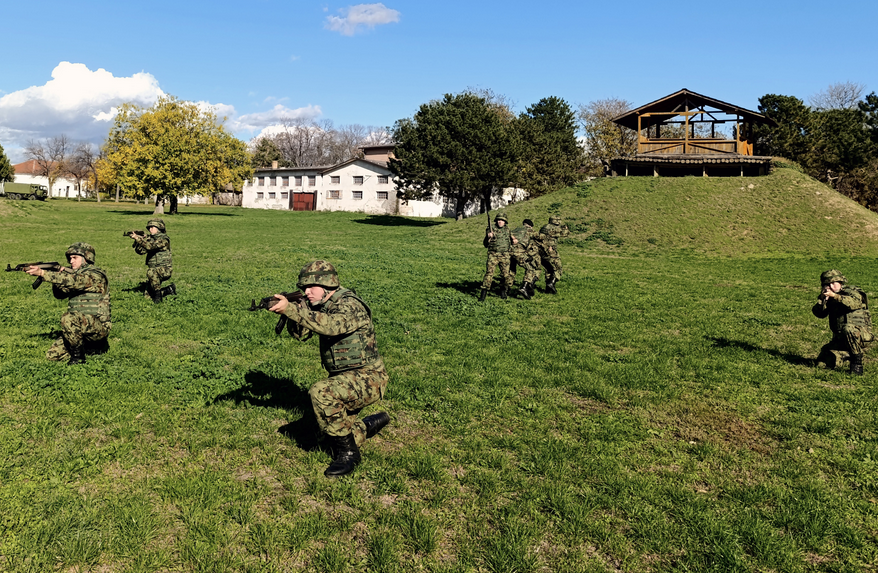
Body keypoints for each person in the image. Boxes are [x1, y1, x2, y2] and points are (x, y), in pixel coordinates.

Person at [269, 260, 390, 477]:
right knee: (322, 440)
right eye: (303, 288)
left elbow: (331, 326)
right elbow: (302, 335)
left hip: (369, 377)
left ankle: (348, 455)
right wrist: (293, 313)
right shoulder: (320, 303)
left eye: (310, 287)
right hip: (345, 377)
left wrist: (292, 310)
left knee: (321, 391)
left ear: (327, 286)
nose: (306, 292)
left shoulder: (350, 305)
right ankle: (369, 425)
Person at [25, 242, 111, 365]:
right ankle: (88, 347)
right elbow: (60, 294)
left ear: (87, 258)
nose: (71, 261)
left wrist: (44, 274)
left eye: (75, 258)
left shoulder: (95, 275)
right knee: (52, 355)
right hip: (79, 326)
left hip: (98, 327)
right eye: (70, 258)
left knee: (68, 317)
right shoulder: (73, 275)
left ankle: (78, 358)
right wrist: (57, 278)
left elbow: (75, 281)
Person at [812, 269, 873, 375]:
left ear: (840, 282)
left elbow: (854, 304)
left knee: (848, 328)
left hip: (860, 336)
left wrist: (835, 296)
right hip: (840, 339)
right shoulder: (829, 297)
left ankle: (856, 362)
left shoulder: (852, 292)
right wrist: (822, 300)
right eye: (827, 284)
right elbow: (820, 314)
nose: (830, 286)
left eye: (833, 283)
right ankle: (845, 354)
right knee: (821, 363)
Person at [129, 218, 175, 303]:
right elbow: (141, 251)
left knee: (151, 272)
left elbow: (150, 246)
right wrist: (138, 241)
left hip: (164, 269)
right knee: (147, 296)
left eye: (152, 227)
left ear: (159, 228)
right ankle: (168, 290)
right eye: (149, 228)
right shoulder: (151, 239)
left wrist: (138, 239)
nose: (150, 229)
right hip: (155, 270)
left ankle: (158, 299)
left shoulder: (164, 239)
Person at [479, 211, 518, 302]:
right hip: (493, 255)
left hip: (505, 255)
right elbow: (485, 244)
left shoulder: (507, 230)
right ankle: (483, 293)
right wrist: (489, 237)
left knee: (505, 275)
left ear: (505, 222)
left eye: (502, 220)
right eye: (498, 220)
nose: (500, 222)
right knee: (489, 274)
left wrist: (514, 240)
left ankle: (503, 290)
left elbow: (512, 238)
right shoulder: (491, 229)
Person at [534, 215, 569, 294]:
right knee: (558, 268)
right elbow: (564, 233)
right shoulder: (555, 228)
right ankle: (551, 283)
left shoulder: (544, 227)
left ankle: (548, 288)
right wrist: (566, 229)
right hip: (550, 251)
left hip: (540, 251)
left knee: (549, 269)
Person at [509, 218, 540, 299]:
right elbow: (540, 237)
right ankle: (524, 287)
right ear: (530, 226)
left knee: (511, 269)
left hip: (508, 251)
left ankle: (506, 289)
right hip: (518, 252)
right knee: (531, 268)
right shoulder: (529, 230)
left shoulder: (516, 229)